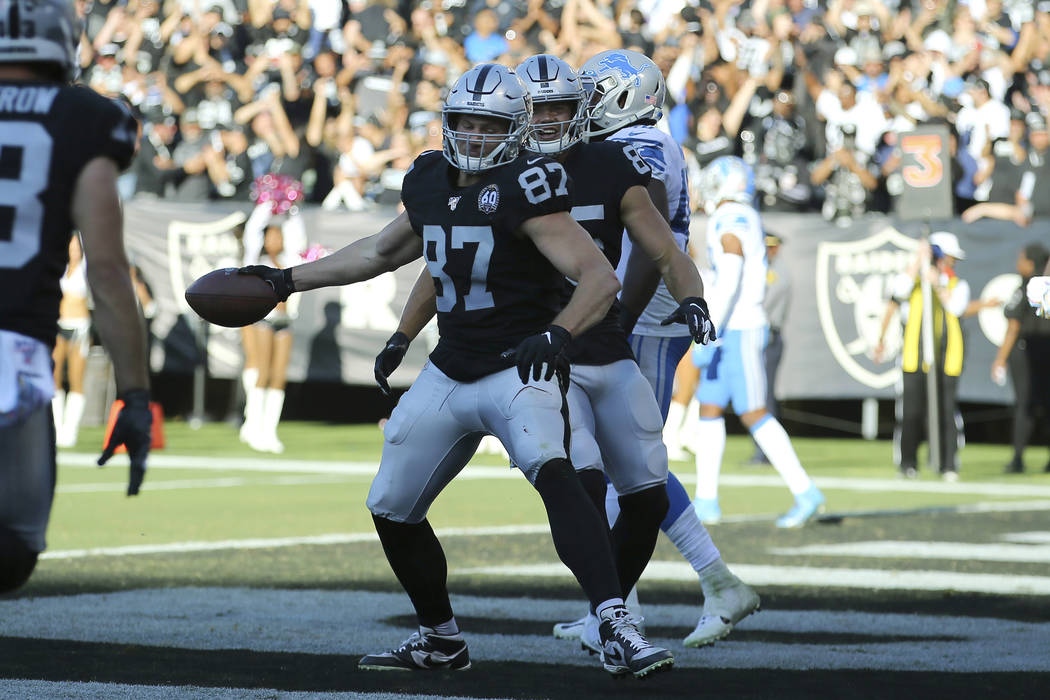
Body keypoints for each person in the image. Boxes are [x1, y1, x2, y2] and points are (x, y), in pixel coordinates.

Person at [241, 63, 673, 679]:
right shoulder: (427, 179)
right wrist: (285, 281)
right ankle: (440, 638)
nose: (471, 136)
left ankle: (614, 621)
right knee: (390, 505)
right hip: (449, 369)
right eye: (462, 122)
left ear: (515, 128)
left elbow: (599, 278)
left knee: (558, 476)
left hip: (515, 368)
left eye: (486, 124)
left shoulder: (529, 184)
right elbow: (381, 252)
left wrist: (557, 333)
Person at [572, 50, 760, 647]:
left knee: (634, 465)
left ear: (629, 95)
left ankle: (706, 583)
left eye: (598, 91)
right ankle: (619, 606)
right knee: (613, 464)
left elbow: (651, 243)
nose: (588, 100)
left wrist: (620, 318)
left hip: (646, 314)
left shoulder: (644, 146)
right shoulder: (634, 140)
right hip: (636, 308)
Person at [0, 0, 153, 594]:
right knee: (11, 551)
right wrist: (135, 396)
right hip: (13, 354)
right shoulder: (85, 117)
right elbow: (108, 275)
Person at [692, 156, 826, 528]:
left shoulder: (732, 217)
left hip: (740, 326)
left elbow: (732, 274)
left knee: (753, 411)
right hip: (731, 325)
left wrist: (711, 327)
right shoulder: (739, 213)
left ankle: (805, 490)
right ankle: (706, 499)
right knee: (709, 407)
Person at [874, 232, 971, 481]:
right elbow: (897, 291)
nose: (951, 263)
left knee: (945, 412)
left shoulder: (957, 284)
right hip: (913, 358)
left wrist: (938, 284)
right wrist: (919, 261)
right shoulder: (914, 282)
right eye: (947, 258)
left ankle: (947, 463)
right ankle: (908, 463)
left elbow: (956, 307)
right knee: (911, 412)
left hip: (944, 358)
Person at [992, 243, 1050, 474]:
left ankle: (1017, 458)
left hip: (1027, 351)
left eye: (1021, 258)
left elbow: (1013, 325)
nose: (1018, 262)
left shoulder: (1029, 286)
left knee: (1025, 405)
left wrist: (1000, 358)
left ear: (1031, 262)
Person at [242, 224, 298, 453]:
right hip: (264, 321)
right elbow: (251, 235)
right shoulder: (259, 262)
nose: (276, 240)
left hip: (285, 322)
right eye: (271, 236)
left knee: (279, 376)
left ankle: (269, 431)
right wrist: (268, 200)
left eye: (279, 236)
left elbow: (299, 233)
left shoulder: (290, 259)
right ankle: (253, 427)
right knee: (262, 372)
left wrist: (291, 208)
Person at [747, 232, 791, 465]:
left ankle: (765, 452)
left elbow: (762, 305)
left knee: (763, 394)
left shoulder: (776, 274)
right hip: (765, 336)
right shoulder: (767, 271)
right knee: (759, 393)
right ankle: (763, 450)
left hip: (768, 337)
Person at [52, 234, 92, 448]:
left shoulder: (86, 269)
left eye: (77, 248)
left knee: (76, 379)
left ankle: (71, 430)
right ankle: (57, 429)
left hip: (80, 328)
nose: (74, 251)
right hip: (59, 325)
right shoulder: (61, 267)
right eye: (71, 247)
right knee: (54, 375)